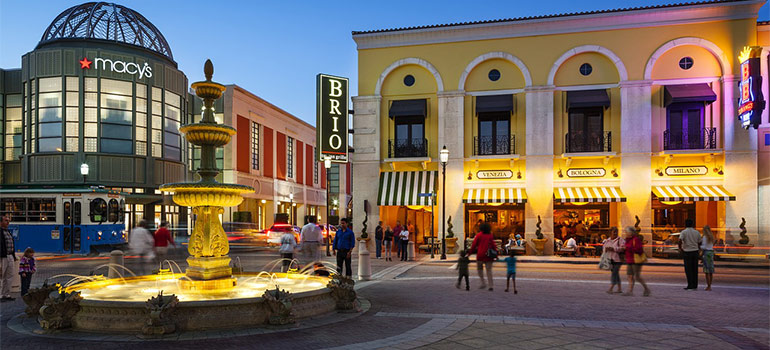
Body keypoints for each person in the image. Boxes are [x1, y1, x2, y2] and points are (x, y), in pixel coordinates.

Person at [623, 226, 651, 297]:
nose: (626, 233)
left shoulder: (636, 239)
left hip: (636, 260)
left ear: (631, 233)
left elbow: (639, 250)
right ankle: (630, 291)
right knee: (630, 276)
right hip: (629, 259)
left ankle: (646, 289)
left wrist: (628, 248)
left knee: (637, 276)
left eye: (627, 232)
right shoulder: (627, 240)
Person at [470, 223, 497, 291]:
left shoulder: (478, 235)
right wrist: (496, 253)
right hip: (488, 255)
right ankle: (491, 285)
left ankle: (483, 282)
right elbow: (493, 245)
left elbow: (474, 245)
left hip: (480, 255)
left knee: (480, 270)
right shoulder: (490, 235)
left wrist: (469, 253)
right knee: (489, 271)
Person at [678, 219, 701, 290]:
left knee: (688, 269)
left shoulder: (684, 232)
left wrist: (680, 248)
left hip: (687, 252)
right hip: (695, 251)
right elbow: (699, 241)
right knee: (695, 269)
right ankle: (695, 285)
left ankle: (690, 284)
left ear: (685, 224)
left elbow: (679, 240)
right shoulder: (697, 232)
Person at [602, 227, 625, 294]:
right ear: (610, 233)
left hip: (618, 260)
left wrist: (614, 249)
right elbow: (604, 249)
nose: (615, 233)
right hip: (610, 259)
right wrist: (606, 250)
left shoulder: (620, 240)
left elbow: (623, 248)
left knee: (614, 273)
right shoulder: (607, 241)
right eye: (614, 232)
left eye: (616, 232)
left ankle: (611, 288)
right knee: (615, 274)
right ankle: (619, 288)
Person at [1, 216, 17, 301]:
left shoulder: (8, 231)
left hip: (10, 255)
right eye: (6, 221)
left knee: (9, 276)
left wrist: (13, 256)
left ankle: (6, 294)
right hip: (3, 256)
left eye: (8, 221)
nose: (8, 222)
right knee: (2, 275)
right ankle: (2, 294)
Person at [701, 225, 715, 291]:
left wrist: (699, 246)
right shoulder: (712, 237)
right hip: (711, 253)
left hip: (706, 253)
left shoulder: (704, 237)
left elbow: (704, 247)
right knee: (711, 270)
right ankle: (710, 285)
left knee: (706, 271)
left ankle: (708, 286)